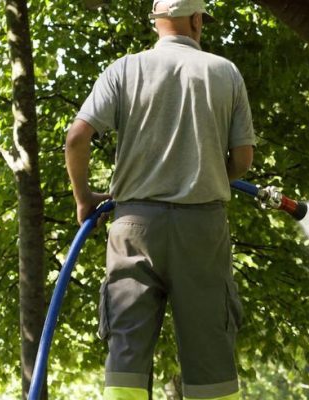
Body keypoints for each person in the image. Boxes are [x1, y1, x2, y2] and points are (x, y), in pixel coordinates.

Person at [64, 0, 256, 398]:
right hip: (202, 228)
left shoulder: (123, 69)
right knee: (211, 360)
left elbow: (76, 138)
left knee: (127, 354)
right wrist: (209, 173)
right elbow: (243, 158)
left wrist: (84, 197)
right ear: (197, 21)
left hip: (134, 226)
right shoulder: (225, 72)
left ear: (157, 22)